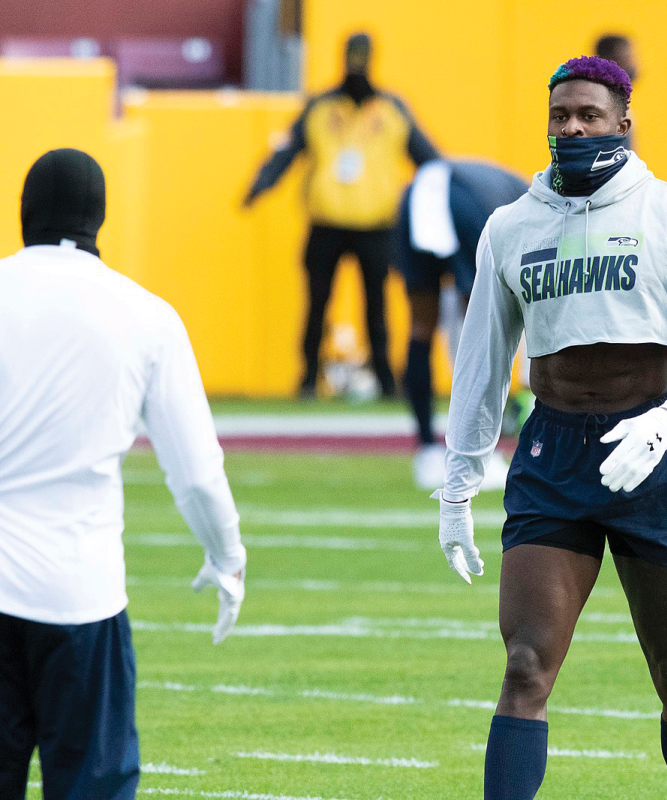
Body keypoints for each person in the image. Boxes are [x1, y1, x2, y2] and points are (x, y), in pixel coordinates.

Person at [436, 57, 667, 799]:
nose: (572, 128)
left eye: (589, 116)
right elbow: (483, 363)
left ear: (624, 123)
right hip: (552, 450)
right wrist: (458, 485)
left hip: (650, 453)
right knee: (525, 666)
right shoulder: (512, 225)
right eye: (559, 116)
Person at [0, 149, 247, 798]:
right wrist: (227, 555)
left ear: (23, 212)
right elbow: (195, 473)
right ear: (99, 219)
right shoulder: (145, 315)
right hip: (80, 595)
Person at [244, 32, 440, 398]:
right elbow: (287, 151)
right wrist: (262, 182)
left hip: (376, 225)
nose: (357, 66)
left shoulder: (392, 109)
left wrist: (450, 188)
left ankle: (385, 380)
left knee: (376, 307)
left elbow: (428, 157)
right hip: (327, 223)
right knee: (317, 304)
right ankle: (307, 379)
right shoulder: (319, 107)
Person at [393, 158, 528, 489]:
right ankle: (479, 455)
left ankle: (426, 450)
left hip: (415, 193)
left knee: (421, 328)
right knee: (485, 330)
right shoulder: (533, 201)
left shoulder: (508, 183)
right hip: (464, 201)